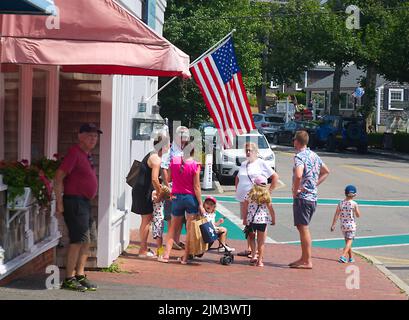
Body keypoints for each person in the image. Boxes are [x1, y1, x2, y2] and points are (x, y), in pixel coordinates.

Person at [55, 123, 102, 292]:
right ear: (80, 136)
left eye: (96, 136)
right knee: (77, 241)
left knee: (88, 240)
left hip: (84, 203)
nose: (93, 139)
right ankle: (68, 278)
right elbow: (59, 176)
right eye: (90, 135)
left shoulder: (86, 155)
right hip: (74, 202)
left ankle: (80, 275)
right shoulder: (74, 153)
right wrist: (59, 202)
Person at [158, 141, 205, 264]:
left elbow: (168, 179)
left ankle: (166, 255)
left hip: (176, 197)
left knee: (172, 227)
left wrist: (170, 192)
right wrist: (200, 204)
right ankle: (184, 258)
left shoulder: (174, 161)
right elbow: (196, 187)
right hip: (190, 198)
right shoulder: (195, 165)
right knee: (189, 229)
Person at [290, 130, 330, 269]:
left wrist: (296, 190)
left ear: (297, 141)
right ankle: (304, 258)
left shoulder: (299, 157)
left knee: (303, 228)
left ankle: (307, 260)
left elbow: (299, 174)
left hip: (303, 197)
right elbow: (326, 171)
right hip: (312, 197)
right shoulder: (314, 155)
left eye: (294, 139)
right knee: (303, 227)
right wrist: (314, 184)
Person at [235, 142, 279, 259]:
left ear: (255, 152)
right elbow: (238, 178)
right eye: (247, 150)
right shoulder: (244, 164)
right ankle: (251, 249)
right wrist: (237, 190)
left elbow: (275, 177)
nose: (248, 152)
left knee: (260, 226)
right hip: (245, 200)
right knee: (248, 226)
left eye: (250, 150)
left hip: (257, 199)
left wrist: (268, 192)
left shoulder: (261, 163)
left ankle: (259, 251)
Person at [131, 133, 169, 258]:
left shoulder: (152, 154)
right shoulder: (156, 159)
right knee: (146, 220)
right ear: (164, 146)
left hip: (141, 190)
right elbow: (154, 179)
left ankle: (144, 248)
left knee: (146, 220)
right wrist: (160, 192)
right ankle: (142, 250)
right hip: (143, 192)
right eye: (168, 144)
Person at [161, 126, 190, 251]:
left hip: (184, 188)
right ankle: (171, 241)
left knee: (181, 217)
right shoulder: (170, 150)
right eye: (181, 137)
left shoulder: (186, 150)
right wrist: (167, 187)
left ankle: (176, 240)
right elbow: (164, 168)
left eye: (185, 137)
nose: (183, 140)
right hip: (173, 187)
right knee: (172, 216)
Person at [242, 176, 276, 267]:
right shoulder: (266, 195)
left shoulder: (250, 194)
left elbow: (245, 207)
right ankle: (260, 261)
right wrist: (273, 219)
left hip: (251, 220)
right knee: (261, 242)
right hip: (262, 220)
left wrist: (244, 219)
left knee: (252, 238)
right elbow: (271, 209)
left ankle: (253, 256)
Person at [330, 185, 361, 263]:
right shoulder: (354, 204)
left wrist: (333, 225)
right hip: (351, 225)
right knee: (350, 241)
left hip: (343, 225)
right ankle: (343, 256)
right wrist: (355, 211)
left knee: (347, 242)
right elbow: (358, 215)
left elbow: (336, 214)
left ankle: (351, 257)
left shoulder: (340, 203)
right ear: (354, 194)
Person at [151, 185, 171, 257]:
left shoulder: (159, 197)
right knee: (158, 236)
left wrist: (160, 193)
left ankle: (160, 253)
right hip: (157, 217)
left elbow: (156, 200)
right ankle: (159, 252)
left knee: (158, 236)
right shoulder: (158, 195)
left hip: (158, 218)